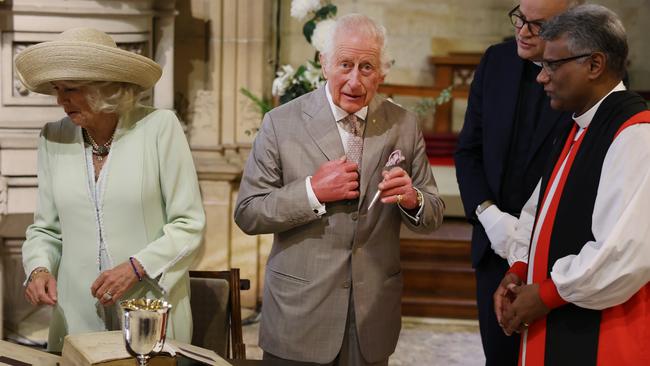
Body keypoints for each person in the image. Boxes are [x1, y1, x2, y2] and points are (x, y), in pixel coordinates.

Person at [234, 14, 444, 366]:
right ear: (324, 64)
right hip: (299, 316)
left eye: (366, 67)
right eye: (345, 64)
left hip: (372, 316)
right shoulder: (280, 123)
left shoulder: (403, 125)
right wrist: (312, 192)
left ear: (383, 71)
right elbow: (249, 212)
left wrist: (413, 198)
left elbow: (433, 212)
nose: (354, 80)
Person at [15, 28, 206, 352]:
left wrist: (136, 267)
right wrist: (39, 268)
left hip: (148, 313)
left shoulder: (159, 128)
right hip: (76, 320)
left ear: (107, 88)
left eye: (71, 89)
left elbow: (190, 226)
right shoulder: (52, 137)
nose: (61, 100)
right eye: (57, 89)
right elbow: (45, 229)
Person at [493, 4, 650, 365]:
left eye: (552, 65)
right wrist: (519, 269)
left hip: (604, 333)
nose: (541, 78)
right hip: (558, 319)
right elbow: (539, 210)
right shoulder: (577, 125)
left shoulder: (634, 134)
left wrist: (546, 294)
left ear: (594, 64)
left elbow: (621, 254)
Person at [453, 1, 582, 364]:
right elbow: (468, 151)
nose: (522, 31)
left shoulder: (587, 74)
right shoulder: (496, 61)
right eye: (519, 18)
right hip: (495, 249)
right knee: (500, 355)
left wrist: (528, 236)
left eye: (537, 25)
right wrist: (489, 216)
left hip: (557, 255)